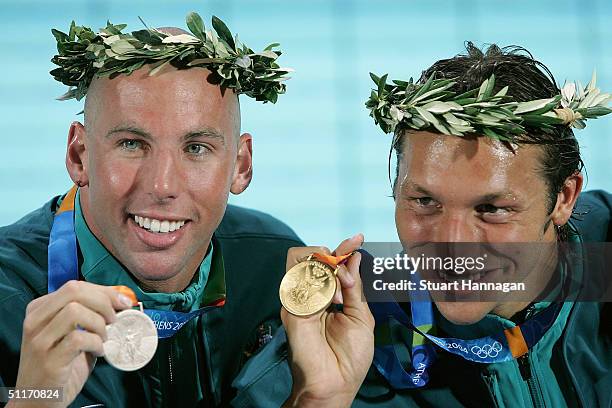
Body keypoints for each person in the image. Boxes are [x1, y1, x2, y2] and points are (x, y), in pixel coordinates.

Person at [232, 43, 612, 407]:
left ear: (564, 198)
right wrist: (318, 399)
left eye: (491, 208)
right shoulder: (337, 338)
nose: (452, 243)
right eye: (425, 202)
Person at [0, 12, 304, 407]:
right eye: (131, 144)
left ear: (241, 165)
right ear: (80, 155)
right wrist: (33, 402)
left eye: (196, 148)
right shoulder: (7, 294)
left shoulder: (276, 271)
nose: (162, 187)